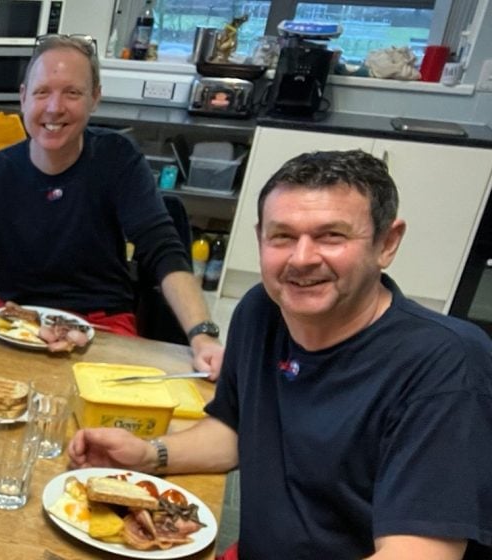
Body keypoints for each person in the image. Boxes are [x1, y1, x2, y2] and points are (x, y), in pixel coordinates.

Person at [68, 150, 492, 559]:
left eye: (331, 236)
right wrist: (149, 454)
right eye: (283, 236)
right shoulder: (261, 311)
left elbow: (418, 554)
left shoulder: (446, 364)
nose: (302, 259)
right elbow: (234, 431)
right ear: (260, 238)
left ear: (387, 243)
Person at [0, 34, 225, 377]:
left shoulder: (118, 159)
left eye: (72, 93)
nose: (54, 107)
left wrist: (202, 336)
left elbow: (162, 250)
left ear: (95, 98)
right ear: (23, 98)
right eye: (42, 92)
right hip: (16, 324)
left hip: (106, 328)